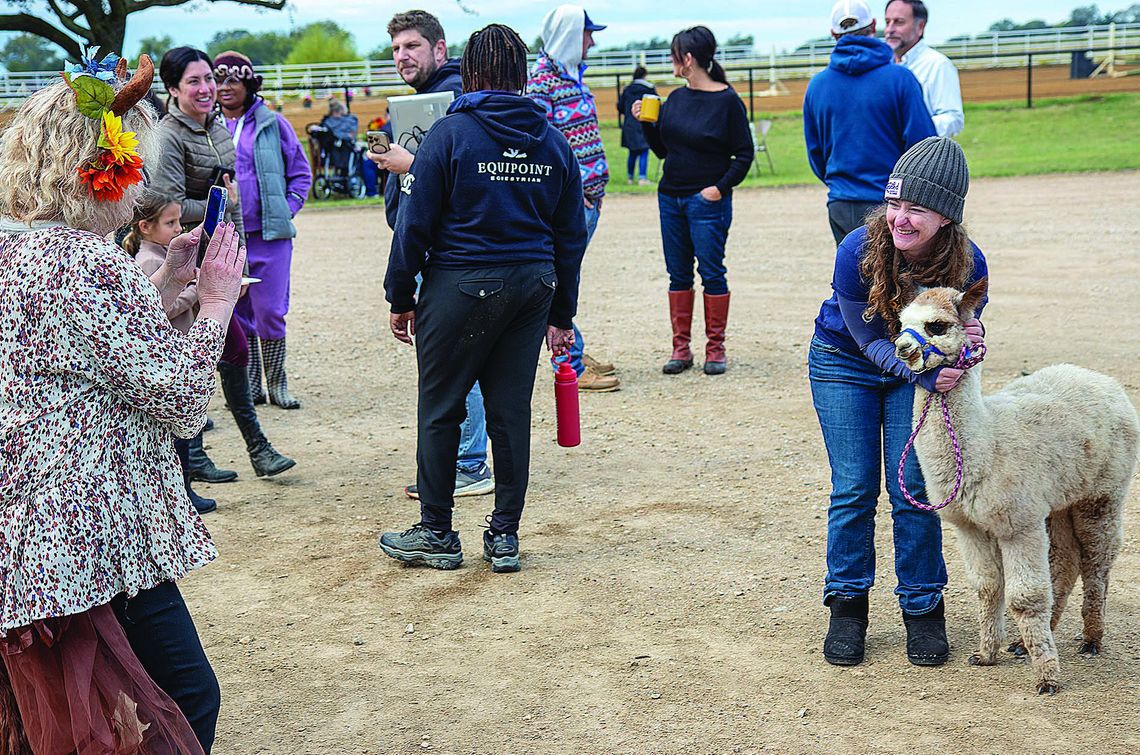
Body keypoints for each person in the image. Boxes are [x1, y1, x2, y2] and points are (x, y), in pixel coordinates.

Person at [0, 52, 246, 752]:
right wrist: (218, 305)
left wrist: (169, 283)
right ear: (94, 166)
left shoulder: (17, 252)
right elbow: (180, 400)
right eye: (125, 159)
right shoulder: (85, 260)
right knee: (184, 699)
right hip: (93, 532)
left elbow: (90, 353)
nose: (136, 180)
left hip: (38, 528)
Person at [378, 23, 588, 573]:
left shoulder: (451, 135)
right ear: (521, 74)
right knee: (510, 411)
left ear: (470, 72)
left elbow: (414, 225)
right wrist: (562, 312)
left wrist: (400, 294)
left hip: (462, 283)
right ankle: (505, 535)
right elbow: (571, 236)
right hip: (532, 286)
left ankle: (437, 531)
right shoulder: (552, 140)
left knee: (442, 408)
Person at [809, 136, 987, 668]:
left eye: (916, 208)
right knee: (855, 486)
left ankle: (923, 607)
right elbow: (868, 340)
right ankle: (846, 606)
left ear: (947, 217)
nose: (899, 218)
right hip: (845, 363)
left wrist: (968, 352)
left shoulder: (968, 264)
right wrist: (926, 375)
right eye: (894, 203)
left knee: (911, 485)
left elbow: (967, 331)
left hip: (916, 372)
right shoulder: (856, 251)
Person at [153, 46, 296, 481]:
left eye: (209, 79)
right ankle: (205, 455)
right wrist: (221, 200)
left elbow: (228, 202)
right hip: (180, 258)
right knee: (207, 352)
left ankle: (246, 450)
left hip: (217, 256)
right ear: (174, 89)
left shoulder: (216, 126)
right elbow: (169, 205)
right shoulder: (169, 135)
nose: (206, 88)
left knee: (230, 349)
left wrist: (240, 261)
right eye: (194, 81)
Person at [368, 9, 495, 501]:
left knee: (455, 357)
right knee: (451, 357)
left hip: (447, 251)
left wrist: (408, 162)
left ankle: (467, 462)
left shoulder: (455, 99)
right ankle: (463, 458)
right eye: (397, 48)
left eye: (412, 46)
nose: (402, 56)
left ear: (439, 50)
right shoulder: (420, 102)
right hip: (428, 246)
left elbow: (466, 176)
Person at [634, 27, 753, 376]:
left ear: (687, 59)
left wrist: (719, 188)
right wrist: (645, 124)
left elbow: (743, 154)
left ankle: (715, 348)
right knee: (678, 274)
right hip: (670, 198)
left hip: (707, 201)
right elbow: (662, 151)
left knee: (712, 272)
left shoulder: (728, 101)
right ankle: (680, 347)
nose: (670, 61)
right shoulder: (675, 99)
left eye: (673, 55)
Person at [527, 4, 620, 392]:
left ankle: (574, 349)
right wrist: (570, 195)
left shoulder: (572, 76)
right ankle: (570, 362)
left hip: (588, 201)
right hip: (570, 205)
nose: (592, 41)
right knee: (560, 280)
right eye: (587, 33)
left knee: (567, 277)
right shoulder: (543, 83)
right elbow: (537, 146)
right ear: (570, 35)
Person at [215, 50, 312, 410]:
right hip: (227, 235)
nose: (224, 88)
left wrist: (287, 209)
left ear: (248, 84)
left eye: (232, 81)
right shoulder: (208, 127)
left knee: (270, 309)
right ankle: (252, 386)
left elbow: (301, 172)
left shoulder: (274, 124)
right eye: (218, 80)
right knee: (238, 312)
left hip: (270, 235)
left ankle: (278, 383)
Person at [803, 0, 936, 245]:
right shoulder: (900, 79)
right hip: (893, 204)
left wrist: (839, 183)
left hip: (840, 201)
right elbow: (923, 147)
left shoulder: (817, 85)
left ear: (833, 33)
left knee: (852, 278)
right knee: (895, 279)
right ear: (873, 26)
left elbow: (816, 153)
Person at [122, 192, 221, 514]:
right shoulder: (151, 260)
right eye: (170, 222)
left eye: (179, 221)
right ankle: (182, 494)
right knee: (180, 436)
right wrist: (197, 289)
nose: (178, 228)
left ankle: (186, 487)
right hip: (173, 346)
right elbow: (163, 308)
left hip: (179, 343)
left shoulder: (162, 252)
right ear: (145, 227)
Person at [885, 0, 964, 138]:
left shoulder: (938, 65)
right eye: (887, 22)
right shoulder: (883, 65)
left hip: (920, 155)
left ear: (920, 27)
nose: (890, 30)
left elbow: (953, 119)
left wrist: (914, 129)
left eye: (899, 22)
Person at [617, 66, 656, 185]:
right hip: (643, 123)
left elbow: (620, 107)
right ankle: (642, 178)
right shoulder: (649, 89)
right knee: (644, 151)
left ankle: (630, 178)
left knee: (632, 152)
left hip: (629, 124)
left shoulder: (627, 89)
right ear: (644, 75)